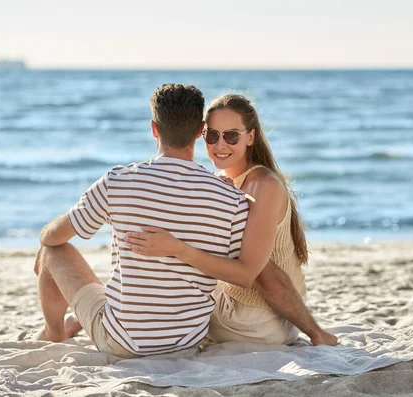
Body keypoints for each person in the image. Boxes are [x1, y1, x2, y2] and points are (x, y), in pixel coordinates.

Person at [33, 84, 257, 358]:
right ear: (201, 131)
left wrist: (44, 243)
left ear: (154, 128)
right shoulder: (232, 198)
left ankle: (54, 333)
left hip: (124, 343)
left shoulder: (118, 181)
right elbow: (238, 272)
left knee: (55, 250)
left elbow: (56, 236)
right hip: (185, 343)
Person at [124, 94, 338, 346]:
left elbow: (254, 274)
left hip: (257, 321)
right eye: (212, 135)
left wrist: (178, 248)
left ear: (250, 137)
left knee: (171, 270)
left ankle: (104, 320)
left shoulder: (263, 186)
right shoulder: (226, 183)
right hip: (259, 314)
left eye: (231, 135)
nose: (220, 144)